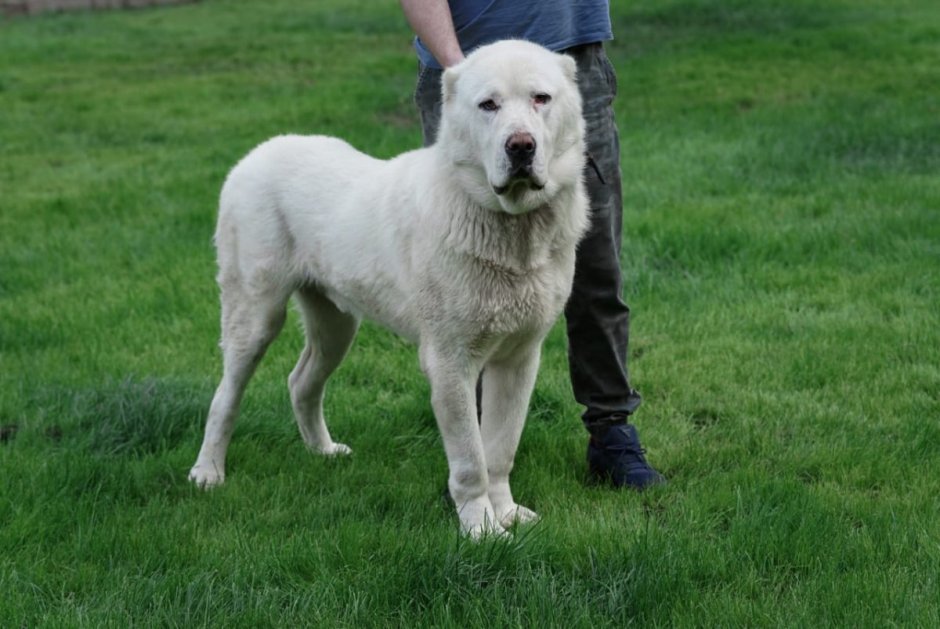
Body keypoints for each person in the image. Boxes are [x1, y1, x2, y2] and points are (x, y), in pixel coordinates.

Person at [400, 0, 664, 489]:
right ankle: (474, 470)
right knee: (461, 280)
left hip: (568, 63)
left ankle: (611, 433)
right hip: (463, 68)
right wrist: (462, 72)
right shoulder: (464, 82)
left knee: (595, 272)